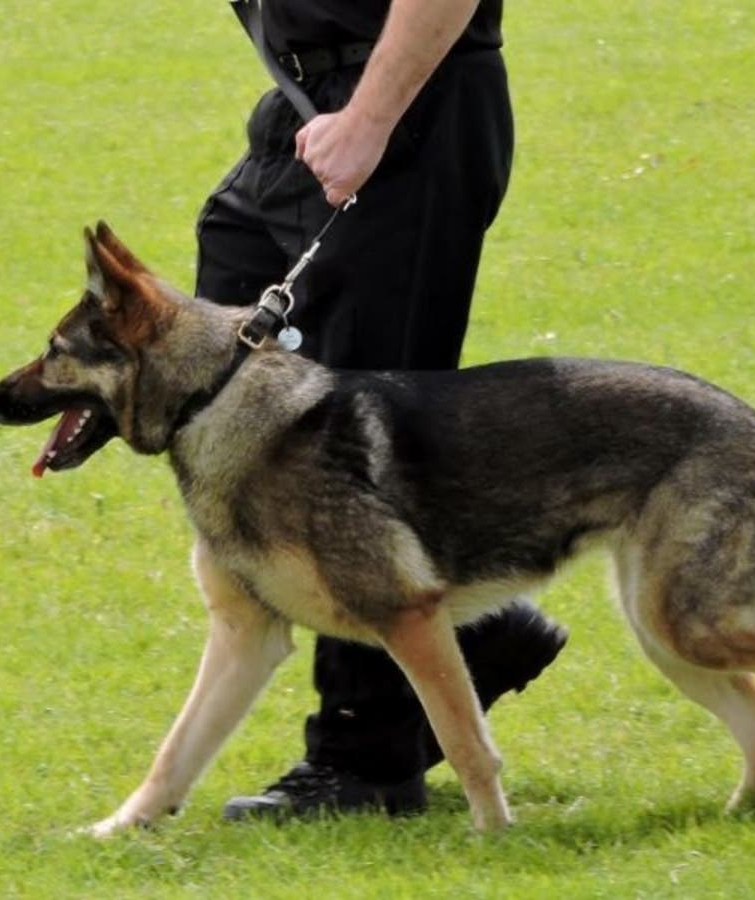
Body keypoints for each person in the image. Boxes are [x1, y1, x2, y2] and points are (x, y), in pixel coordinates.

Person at [194, 0, 569, 822]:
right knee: (216, 364)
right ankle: (479, 632)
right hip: (305, 101)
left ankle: (366, 761)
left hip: (402, 106)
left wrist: (369, 119)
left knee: (356, 450)